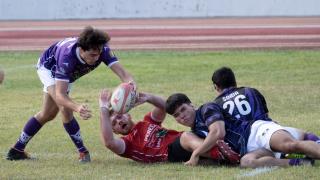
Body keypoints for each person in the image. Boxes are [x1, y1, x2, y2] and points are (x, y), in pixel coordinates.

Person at [6, 26, 135, 163]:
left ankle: (17, 150)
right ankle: (83, 152)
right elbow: (60, 95)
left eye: (99, 54)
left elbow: (124, 75)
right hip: (49, 69)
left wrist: (132, 90)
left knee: (48, 114)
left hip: (67, 76)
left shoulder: (102, 50)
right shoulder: (67, 58)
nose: (97, 58)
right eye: (92, 55)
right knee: (65, 108)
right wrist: (77, 107)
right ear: (81, 49)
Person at [165, 67, 320, 168]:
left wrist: (196, 153)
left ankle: (309, 145)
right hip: (248, 147)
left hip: (255, 131)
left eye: (183, 110)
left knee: (290, 145)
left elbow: (218, 133)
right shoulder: (197, 130)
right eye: (177, 115)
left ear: (191, 105)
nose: (182, 116)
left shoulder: (208, 108)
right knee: (247, 162)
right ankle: (298, 162)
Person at [99, 89, 239, 164]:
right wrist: (104, 110)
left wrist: (148, 97)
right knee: (186, 137)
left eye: (119, 117)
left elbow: (165, 107)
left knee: (204, 130)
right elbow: (109, 142)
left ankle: (230, 150)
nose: (118, 122)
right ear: (114, 131)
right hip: (170, 152)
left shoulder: (147, 121)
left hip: (187, 145)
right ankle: (219, 153)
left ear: (127, 114)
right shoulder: (127, 144)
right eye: (114, 124)